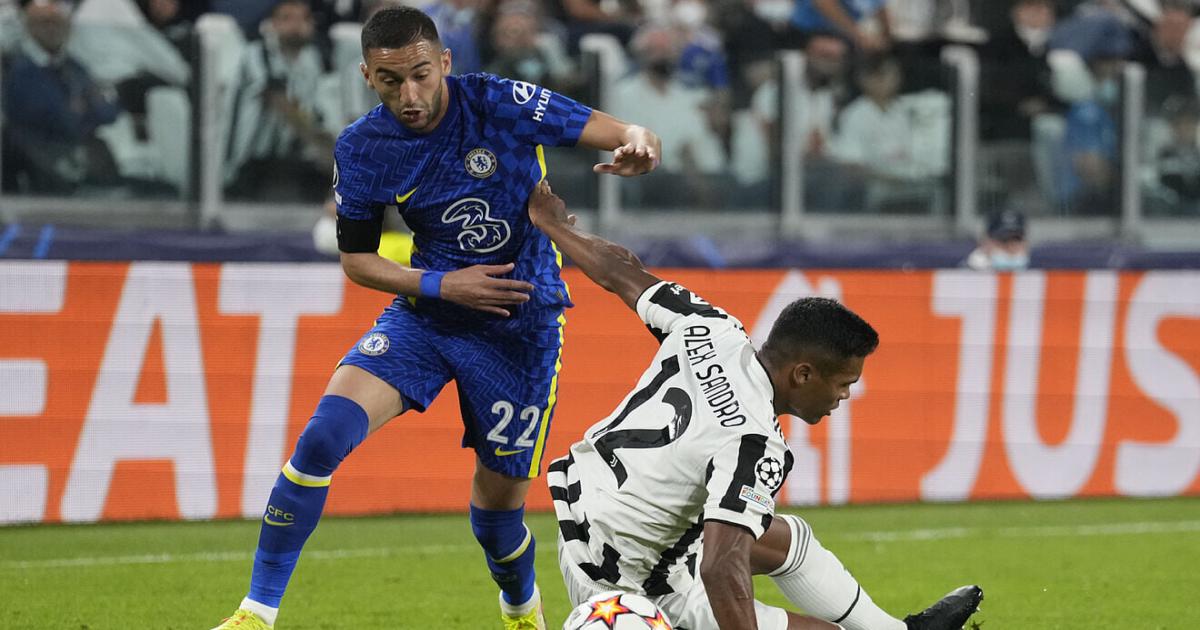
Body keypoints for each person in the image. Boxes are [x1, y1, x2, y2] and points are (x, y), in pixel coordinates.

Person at [211, 6, 661, 630]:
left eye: (421, 74)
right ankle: (255, 614)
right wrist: (443, 285)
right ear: (368, 76)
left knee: (496, 519)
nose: (410, 95)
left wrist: (639, 141)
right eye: (391, 81)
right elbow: (358, 260)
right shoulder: (364, 147)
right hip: (428, 314)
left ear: (445, 62)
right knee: (320, 440)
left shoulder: (498, 103)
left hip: (521, 327)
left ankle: (520, 609)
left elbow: (620, 129)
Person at [529, 181, 983, 630]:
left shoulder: (710, 327)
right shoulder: (755, 442)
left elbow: (621, 270)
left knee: (791, 541)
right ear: (802, 374)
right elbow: (720, 566)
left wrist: (556, 228)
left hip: (583, 515)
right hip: (631, 584)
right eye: (844, 383)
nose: (846, 396)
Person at [964, 208, 1030, 271]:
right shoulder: (964, 273)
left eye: (1016, 240)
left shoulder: (1033, 269)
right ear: (985, 242)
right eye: (1003, 241)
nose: (1010, 247)